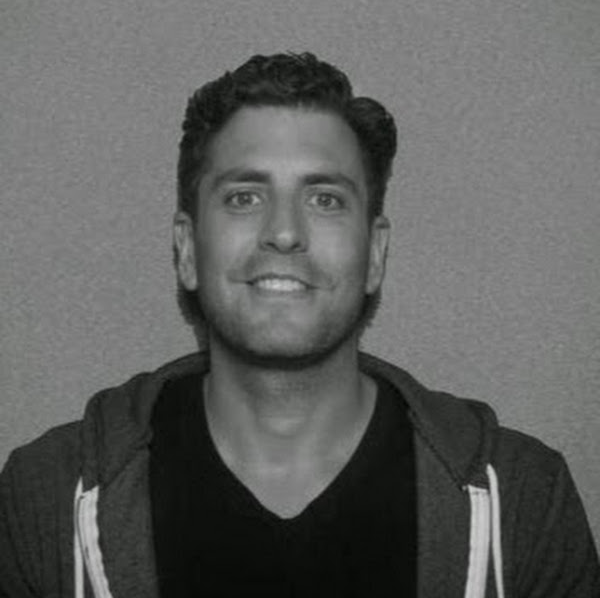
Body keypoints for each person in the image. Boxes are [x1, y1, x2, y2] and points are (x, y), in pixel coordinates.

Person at [0, 52, 598, 598]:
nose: (284, 232)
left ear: (375, 254)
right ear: (186, 249)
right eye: (244, 197)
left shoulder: (523, 502)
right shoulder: (46, 500)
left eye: (325, 199)